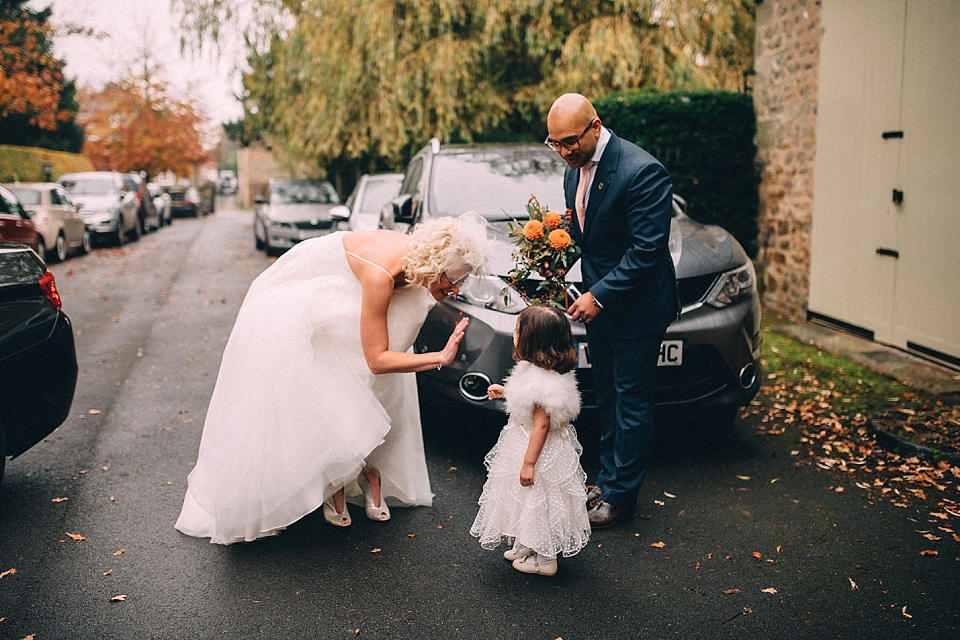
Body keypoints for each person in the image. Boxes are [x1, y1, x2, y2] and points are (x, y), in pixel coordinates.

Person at [175, 214, 487, 544]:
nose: (455, 290)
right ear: (432, 265)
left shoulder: (420, 260)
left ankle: (359, 466)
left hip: (355, 282)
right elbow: (377, 361)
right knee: (333, 367)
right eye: (450, 280)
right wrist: (439, 358)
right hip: (301, 289)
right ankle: (331, 472)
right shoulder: (382, 274)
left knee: (398, 332)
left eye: (460, 282)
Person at [546, 92, 680, 529]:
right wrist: (551, 265)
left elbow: (646, 252)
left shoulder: (643, 172)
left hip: (638, 307)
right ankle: (606, 479)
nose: (564, 151)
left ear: (595, 127)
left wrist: (598, 295)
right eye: (554, 143)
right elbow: (588, 236)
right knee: (605, 394)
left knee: (632, 400)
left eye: (570, 141)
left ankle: (622, 497)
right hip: (599, 308)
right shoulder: (574, 171)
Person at [470, 305, 590, 576]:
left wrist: (528, 463)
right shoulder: (537, 371)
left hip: (538, 452)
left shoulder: (544, 383)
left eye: (517, 329)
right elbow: (525, 396)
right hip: (529, 444)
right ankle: (528, 544)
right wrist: (505, 391)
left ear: (532, 340)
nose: (514, 334)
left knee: (540, 500)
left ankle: (546, 558)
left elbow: (542, 424)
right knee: (526, 499)